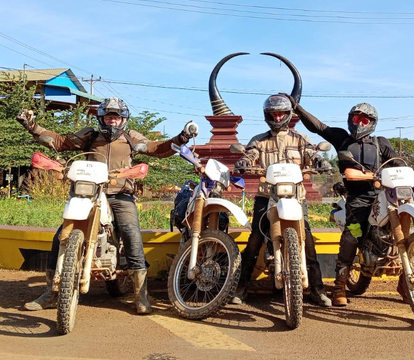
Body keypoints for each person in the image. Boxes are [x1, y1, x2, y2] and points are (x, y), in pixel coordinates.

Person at [16, 97, 198, 315]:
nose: (113, 121)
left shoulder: (132, 138)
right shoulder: (89, 136)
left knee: (131, 233)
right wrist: (32, 126)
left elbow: (157, 148)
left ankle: (140, 295)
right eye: (109, 116)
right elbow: (59, 141)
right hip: (89, 193)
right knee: (60, 237)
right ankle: (51, 293)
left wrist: (182, 137)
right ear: (101, 118)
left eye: (117, 117)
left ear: (123, 120)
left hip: (120, 194)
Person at [288, 97, 404, 307]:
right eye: (356, 118)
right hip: (357, 199)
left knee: (405, 226)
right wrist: (297, 109)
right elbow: (319, 127)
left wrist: (412, 173)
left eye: (364, 120)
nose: (359, 123)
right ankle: (340, 285)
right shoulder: (342, 138)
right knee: (352, 234)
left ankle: (406, 282)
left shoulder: (381, 143)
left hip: (382, 195)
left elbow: (397, 163)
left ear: (372, 123)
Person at [231, 94, 333, 307]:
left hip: (296, 197)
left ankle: (317, 289)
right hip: (266, 195)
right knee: (255, 240)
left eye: (281, 114)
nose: (277, 118)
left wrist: (320, 162)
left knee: (308, 241)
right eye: (273, 114)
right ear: (267, 115)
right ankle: (241, 288)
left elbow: (312, 155)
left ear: (288, 115)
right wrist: (243, 161)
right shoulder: (258, 140)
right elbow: (249, 155)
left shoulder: (301, 139)